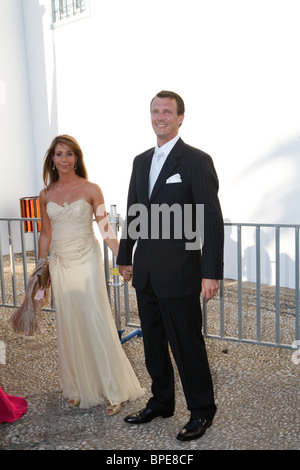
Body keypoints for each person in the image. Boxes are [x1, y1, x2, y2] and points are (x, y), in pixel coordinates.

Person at [117, 91, 224, 441]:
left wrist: (211, 272)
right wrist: (124, 255)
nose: (160, 117)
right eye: (155, 111)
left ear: (180, 118)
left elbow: (210, 220)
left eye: (167, 111)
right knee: (153, 346)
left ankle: (201, 411)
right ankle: (161, 401)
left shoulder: (196, 161)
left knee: (187, 346)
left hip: (180, 274)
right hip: (146, 272)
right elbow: (134, 210)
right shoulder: (140, 161)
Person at [38, 135, 144, 414]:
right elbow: (46, 234)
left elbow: (105, 227)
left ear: (77, 158)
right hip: (60, 264)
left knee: (95, 320)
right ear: (53, 158)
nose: (64, 159)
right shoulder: (45, 195)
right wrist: (40, 269)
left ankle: (113, 389)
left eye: (69, 154)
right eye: (59, 154)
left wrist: (123, 259)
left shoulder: (91, 189)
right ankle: (77, 387)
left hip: (86, 261)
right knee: (69, 324)